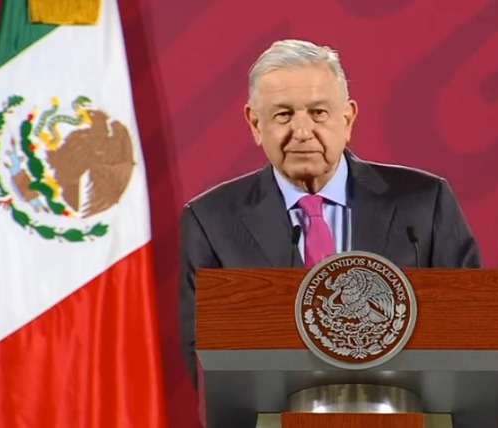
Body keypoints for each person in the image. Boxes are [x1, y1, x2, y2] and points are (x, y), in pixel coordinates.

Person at [178, 39, 481, 386]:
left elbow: (472, 326)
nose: (302, 132)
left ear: (348, 118)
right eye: (283, 115)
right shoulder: (212, 221)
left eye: (318, 113)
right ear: (255, 123)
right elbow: (205, 355)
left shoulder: (424, 202)